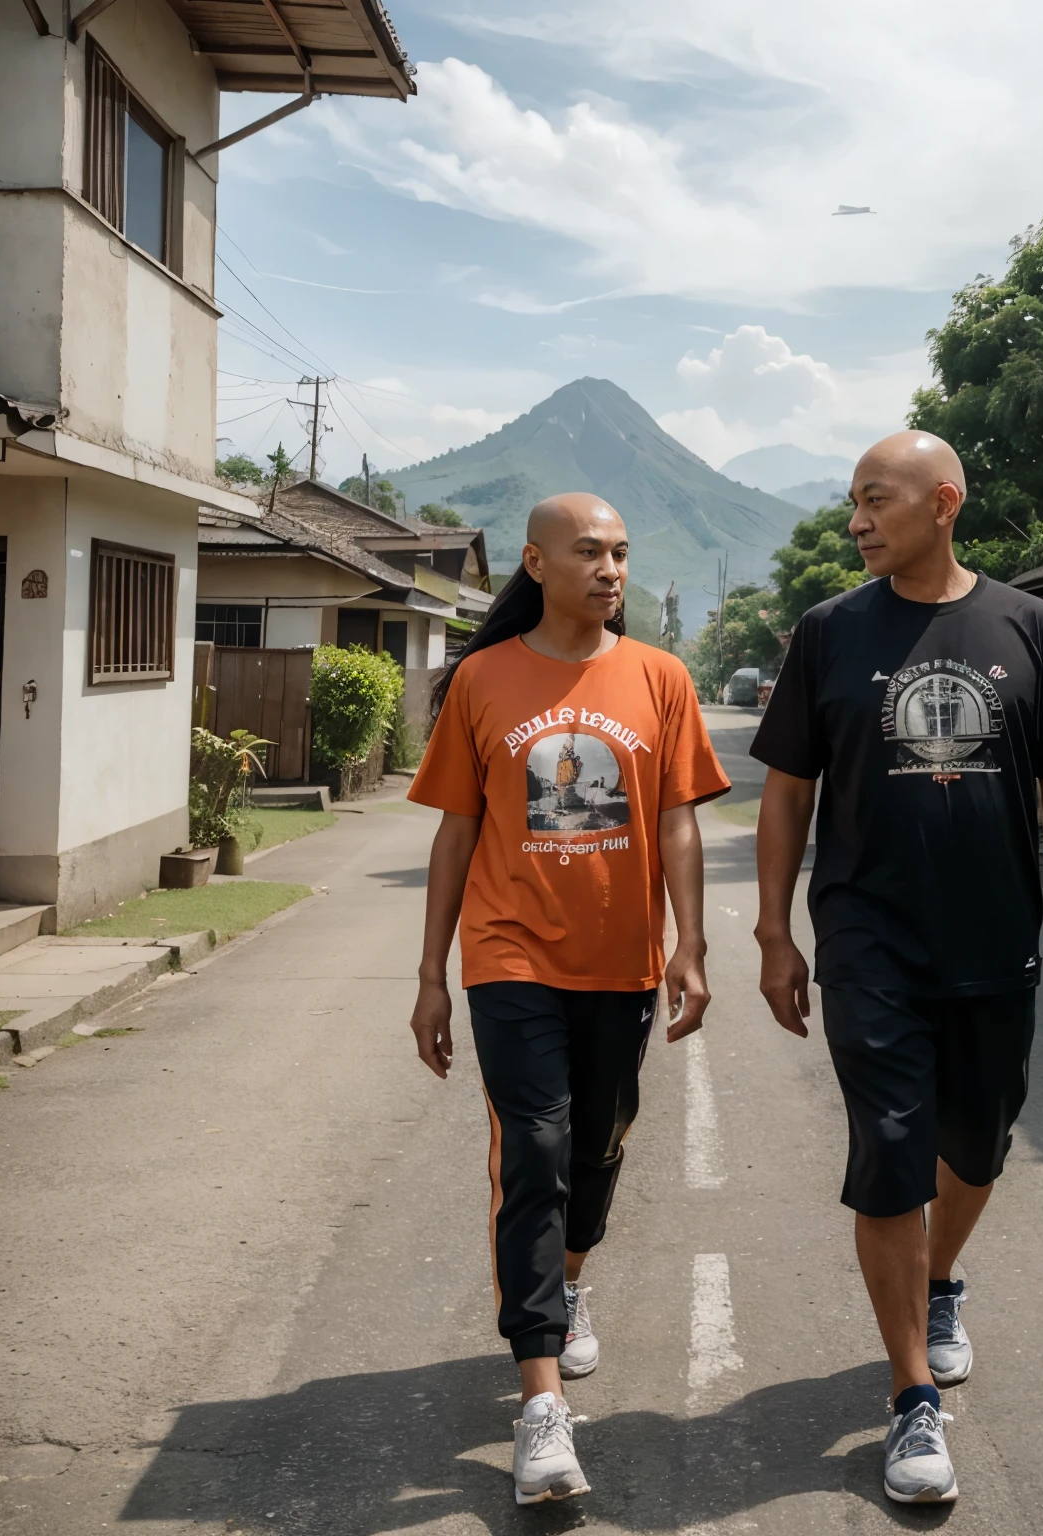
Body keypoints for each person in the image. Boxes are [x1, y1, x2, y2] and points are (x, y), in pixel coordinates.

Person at [750, 431, 1043, 1505]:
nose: (856, 521)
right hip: (870, 944)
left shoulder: (1028, 627)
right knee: (894, 1148)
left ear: (942, 502)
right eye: (852, 503)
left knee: (980, 1143)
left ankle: (941, 1277)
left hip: (994, 944)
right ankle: (913, 1400)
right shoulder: (828, 633)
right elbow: (784, 795)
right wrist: (777, 933)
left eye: (875, 501)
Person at [408, 493, 730, 1506]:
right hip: (509, 957)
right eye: (588, 551)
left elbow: (677, 821)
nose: (610, 569)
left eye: (621, 553)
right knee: (535, 1147)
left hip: (621, 961)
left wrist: (691, 944)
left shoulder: (660, 678)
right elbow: (456, 832)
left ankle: (568, 1283)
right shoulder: (481, 681)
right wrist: (430, 977)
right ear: (537, 564)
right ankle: (540, 1401)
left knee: (598, 1144)